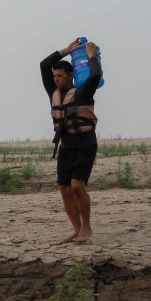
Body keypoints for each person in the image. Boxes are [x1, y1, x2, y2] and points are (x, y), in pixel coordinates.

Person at [41, 38, 103, 243]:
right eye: (54, 76)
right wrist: (66, 50)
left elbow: (95, 74)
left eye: (60, 75)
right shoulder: (54, 93)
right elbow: (43, 65)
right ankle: (76, 229)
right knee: (65, 189)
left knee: (77, 186)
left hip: (85, 143)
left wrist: (92, 55)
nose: (56, 79)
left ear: (70, 75)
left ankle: (86, 227)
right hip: (66, 145)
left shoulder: (84, 91)